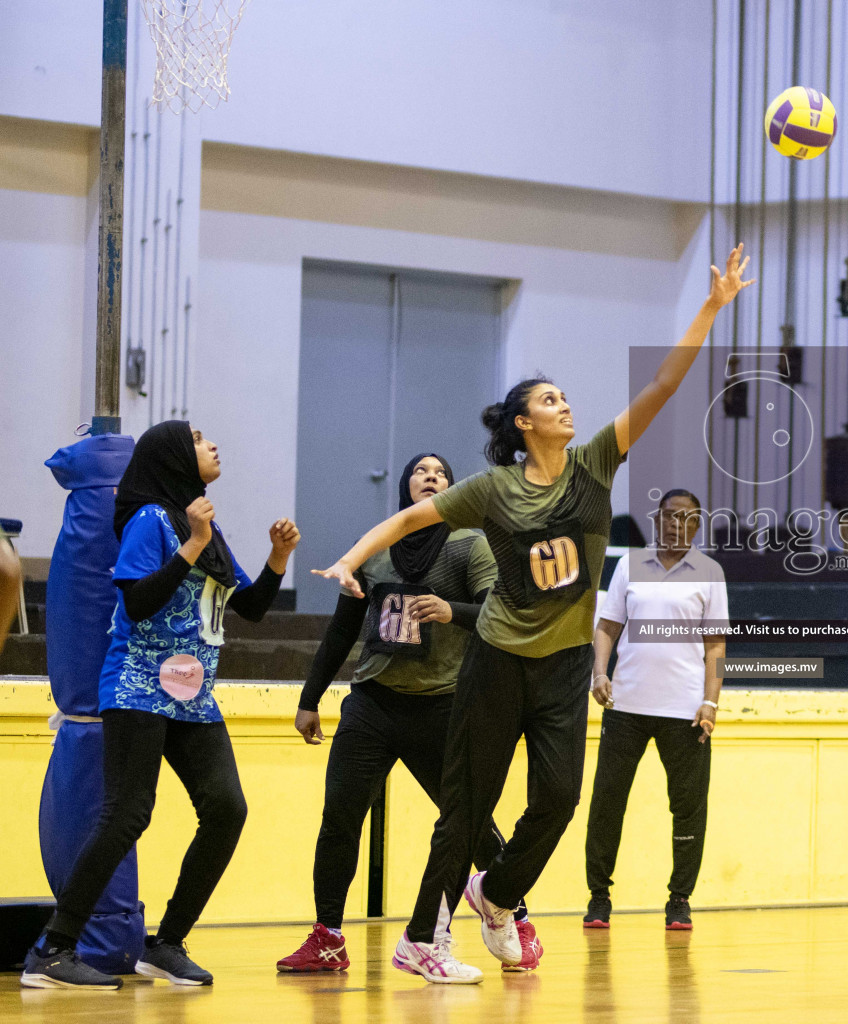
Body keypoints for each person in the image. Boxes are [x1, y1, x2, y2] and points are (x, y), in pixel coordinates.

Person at [313, 244, 754, 984]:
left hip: (564, 665)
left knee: (557, 798)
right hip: (495, 662)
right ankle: (421, 938)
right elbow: (406, 521)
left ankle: (495, 893)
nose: (564, 406)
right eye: (549, 401)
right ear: (522, 423)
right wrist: (352, 559)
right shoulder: (489, 490)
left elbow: (664, 383)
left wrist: (711, 306)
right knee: (468, 804)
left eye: (563, 399)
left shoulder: (594, 465)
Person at [23, 421, 298, 990]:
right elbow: (140, 601)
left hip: (193, 698)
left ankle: (167, 943)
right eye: (199, 439)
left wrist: (277, 558)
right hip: (137, 687)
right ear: (174, 456)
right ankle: (54, 948)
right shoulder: (151, 521)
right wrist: (193, 543)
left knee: (226, 810)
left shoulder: (203, 524)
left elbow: (249, 608)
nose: (214, 445)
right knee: (128, 813)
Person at [277, 454, 511, 973]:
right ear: (405, 483)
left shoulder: (467, 544)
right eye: (422, 470)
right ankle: (328, 936)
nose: (432, 477)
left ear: (453, 489)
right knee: (338, 817)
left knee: (467, 823)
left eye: (442, 473)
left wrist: (452, 610)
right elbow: (342, 630)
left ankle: (509, 911)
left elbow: (498, 612)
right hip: (373, 705)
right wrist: (309, 698)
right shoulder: (376, 546)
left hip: (441, 708)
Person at [582, 488, 728, 930]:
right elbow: (607, 627)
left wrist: (710, 701)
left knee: (688, 807)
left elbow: (716, 645)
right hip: (625, 704)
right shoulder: (630, 565)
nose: (675, 523)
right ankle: (599, 897)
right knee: (608, 801)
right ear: (657, 519)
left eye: (685, 517)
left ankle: (679, 899)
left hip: (686, 710)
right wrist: (600, 673)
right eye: (668, 515)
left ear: (697, 525)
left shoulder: (710, 572)